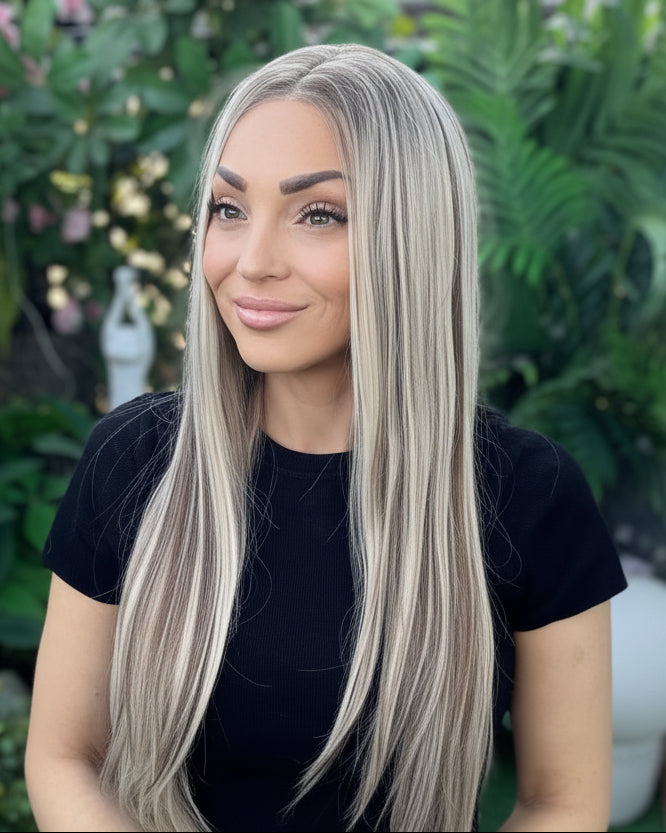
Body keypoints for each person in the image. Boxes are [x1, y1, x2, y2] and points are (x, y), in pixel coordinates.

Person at [24, 44, 627, 833]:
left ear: (408, 239)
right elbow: (66, 757)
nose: (251, 262)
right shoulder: (134, 463)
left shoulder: (528, 494)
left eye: (318, 213)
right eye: (229, 208)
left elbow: (566, 800)